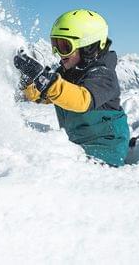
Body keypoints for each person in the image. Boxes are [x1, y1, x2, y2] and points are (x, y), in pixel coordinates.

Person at [14, 9, 130, 167]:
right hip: (77, 145)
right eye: (55, 44)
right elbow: (49, 95)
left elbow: (82, 100)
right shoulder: (69, 71)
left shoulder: (103, 74)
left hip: (106, 151)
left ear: (88, 46)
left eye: (64, 46)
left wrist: (46, 81)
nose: (58, 53)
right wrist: (29, 83)